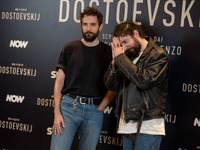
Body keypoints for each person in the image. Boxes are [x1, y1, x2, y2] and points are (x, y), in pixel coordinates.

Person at [50, 6, 116, 150]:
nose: (88, 28)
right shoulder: (69, 48)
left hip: (94, 111)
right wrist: (57, 113)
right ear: (81, 25)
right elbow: (59, 82)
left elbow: (115, 85)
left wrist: (100, 108)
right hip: (68, 108)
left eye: (93, 24)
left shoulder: (108, 52)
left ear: (100, 26)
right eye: (85, 24)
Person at [104, 21, 169, 150]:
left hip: (148, 127)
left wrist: (121, 58)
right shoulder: (125, 55)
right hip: (126, 126)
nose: (124, 47)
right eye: (121, 44)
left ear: (136, 33)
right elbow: (111, 85)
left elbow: (143, 81)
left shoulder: (158, 54)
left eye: (126, 42)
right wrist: (114, 63)